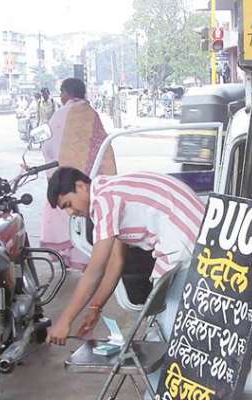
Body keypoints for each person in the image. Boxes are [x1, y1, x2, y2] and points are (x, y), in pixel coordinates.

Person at [44, 167, 205, 345]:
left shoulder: (104, 200)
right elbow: (116, 262)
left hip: (187, 248)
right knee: (165, 326)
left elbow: (95, 270)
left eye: (68, 204)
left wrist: (65, 321)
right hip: (199, 242)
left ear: (81, 186)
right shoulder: (112, 191)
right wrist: (95, 307)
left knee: (166, 336)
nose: (70, 212)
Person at [40, 78, 116, 270]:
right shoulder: (92, 114)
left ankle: (68, 256)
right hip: (90, 180)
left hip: (66, 180)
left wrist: (53, 174)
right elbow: (104, 147)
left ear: (66, 93)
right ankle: (87, 258)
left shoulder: (60, 114)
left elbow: (48, 146)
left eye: (62, 92)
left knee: (65, 213)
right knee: (87, 218)